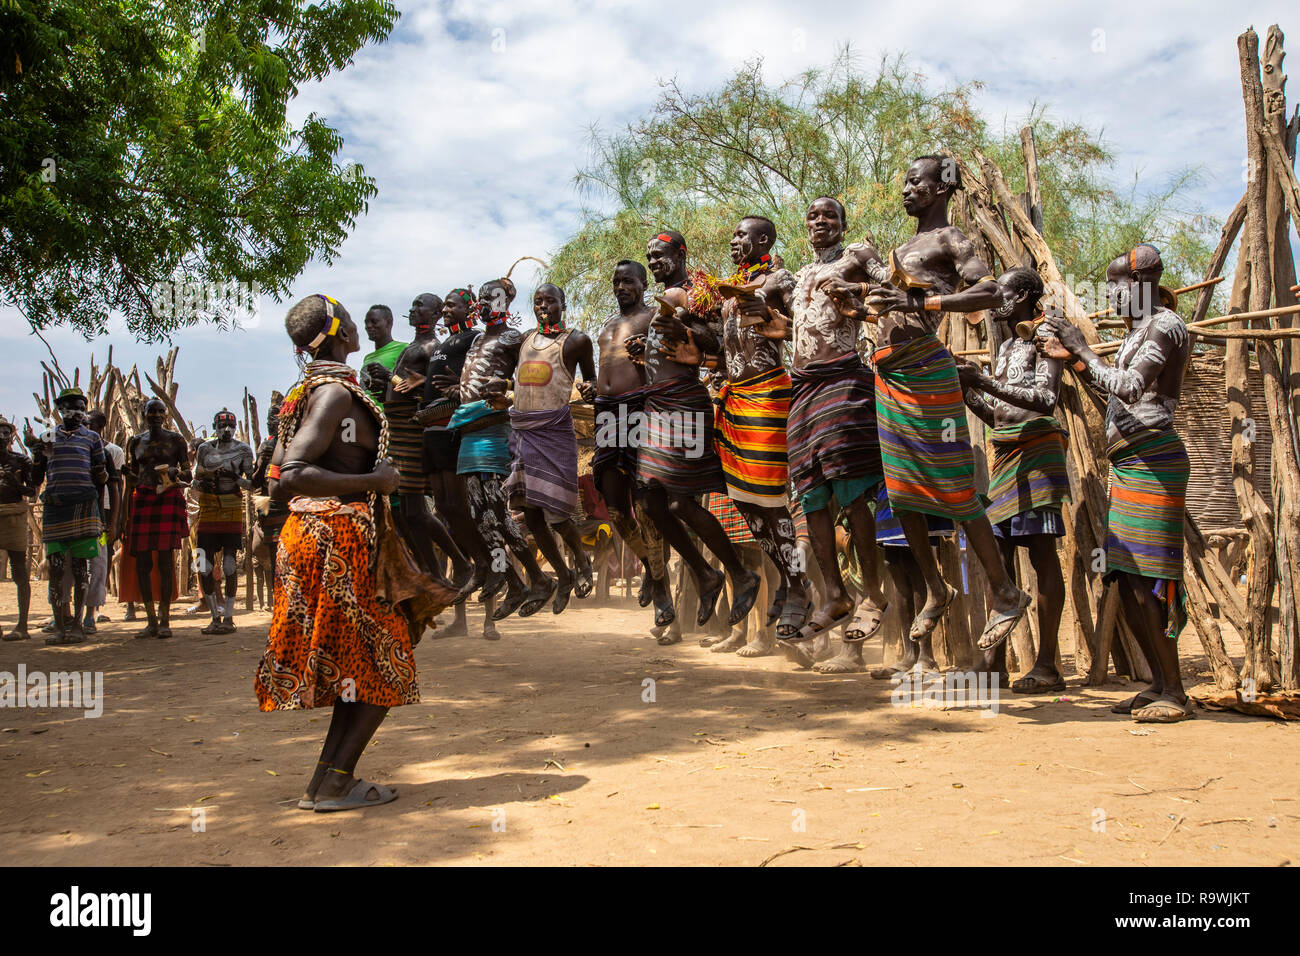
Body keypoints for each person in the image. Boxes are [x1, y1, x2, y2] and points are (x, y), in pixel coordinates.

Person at [827, 155, 1030, 650]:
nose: (906, 190)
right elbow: (892, 306)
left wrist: (924, 303)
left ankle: (1006, 592)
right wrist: (858, 303)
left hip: (927, 368)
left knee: (953, 487)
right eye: (904, 183)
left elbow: (987, 292)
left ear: (941, 188)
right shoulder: (899, 250)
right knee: (901, 493)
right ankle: (935, 589)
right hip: (889, 372)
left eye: (915, 182)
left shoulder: (952, 240)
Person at [256, 293, 426, 811]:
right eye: (349, 320)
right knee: (387, 659)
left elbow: (279, 466)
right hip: (336, 536)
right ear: (335, 333)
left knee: (357, 662)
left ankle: (327, 783)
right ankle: (333, 782)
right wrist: (374, 479)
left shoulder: (304, 394)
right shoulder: (330, 395)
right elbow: (293, 473)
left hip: (317, 536)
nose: (357, 327)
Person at [1040, 245, 1192, 722]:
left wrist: (1082, 347)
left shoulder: (1164, 326)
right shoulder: (1134, 335)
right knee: (1127, 578)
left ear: (1143, 280)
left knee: (1153, 579)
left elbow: (1130, 388)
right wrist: (1077, 359)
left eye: (1116, 285)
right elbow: (1110, 388)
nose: (1110, 295)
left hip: (1155, 459)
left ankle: (1178, 693)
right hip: (1128, 464)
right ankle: (1157, 684)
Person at [756, 197, 890, 674]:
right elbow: (801, 329)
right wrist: (775, 322)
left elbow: (890, 292)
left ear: (843, 224)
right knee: (811, 494)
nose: (820, 222)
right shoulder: (801, 276)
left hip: (843, 380)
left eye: (829, 215)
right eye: (813, 217)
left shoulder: (856, 254)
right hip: (805, 388)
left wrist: (856, 297)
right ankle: (834, 595)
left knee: (851, 491)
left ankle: (873, 594)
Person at [636, 228, 760, 639]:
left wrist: (686, 330)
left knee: (678, 504)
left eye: (661, 255)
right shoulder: (665, 297)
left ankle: (739, 574)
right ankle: (707, 574)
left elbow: (715, 343)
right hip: (655, 405)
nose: (654, 262)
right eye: (650, 256)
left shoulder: (698, 291)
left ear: (682, 254)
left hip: (685, 402)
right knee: (652, 504)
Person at [957, 266, 1069, 692]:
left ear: (1024, 294)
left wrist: (981, 379)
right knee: (999, 564)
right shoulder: (1005, 345)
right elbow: (996, 413)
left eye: (1001, 292)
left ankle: (1047, 666)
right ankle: (994, 666)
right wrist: (967, 386)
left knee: (1042, 558)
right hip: (1004, 455)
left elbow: (1045, 399)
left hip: (1036, 455)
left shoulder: (1045, 335)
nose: (994, 299)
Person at [705, 216, 813, 641]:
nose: (733, 240)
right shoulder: (728, 290)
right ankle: (790, 580)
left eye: (741, 234)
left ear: (763, 239)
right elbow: (722, 348)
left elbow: (806, 327)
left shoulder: (781, 278)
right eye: (731, 234)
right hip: (733, 398)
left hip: (768, 393)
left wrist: (779, 321)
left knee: (772, 504)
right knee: (745, 505)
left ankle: (799, 587)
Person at [448, 277, 556, 622]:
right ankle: (515, 581)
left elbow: (537, 372)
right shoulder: (479, 338)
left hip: (494, 433)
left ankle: (537, 578)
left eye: (490, 297)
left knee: (498, 516)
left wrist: (507, 385)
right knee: (480, 519)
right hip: (467, 433)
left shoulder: (515, 337)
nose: (483, 303)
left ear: (507, 301)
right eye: (480, 298)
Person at [581, 260, 673, 627]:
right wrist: (591, 387)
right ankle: (652, 569)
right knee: (616, 509)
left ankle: (662, 589)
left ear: (643, 283)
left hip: (640, 408)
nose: (621, 286)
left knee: (645, 503)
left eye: (628, 281)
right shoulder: (607, 326)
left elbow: (671, 361)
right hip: (606, 412)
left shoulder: (653, 317)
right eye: (616, 281)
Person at [506, 282, 596, 612]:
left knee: (558, 515)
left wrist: (590, 388)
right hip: (524, 433)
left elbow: (592, 380)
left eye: (551, 301)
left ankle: (583, 563)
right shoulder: (524, 339)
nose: (544, 306)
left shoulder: (576, 341)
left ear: (564, 303)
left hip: (555, 433)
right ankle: (562, 574)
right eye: (538, 300)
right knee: (530, 515)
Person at [416, 288, 489, 638]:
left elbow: (472, 384)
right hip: (430, 431)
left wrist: (456, 390)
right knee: (445, 509)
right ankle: (460, 620)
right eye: (444, 305)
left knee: (465, 511)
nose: (446, 309)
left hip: (451, 429)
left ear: (469, 308)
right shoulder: (445, 343)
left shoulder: (474, 340)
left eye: (451, 304)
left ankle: (489, 613)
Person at [381, 294, 468, 587]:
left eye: (420, 306)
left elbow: (442, 389)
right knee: (406, 512)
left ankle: (455, 563)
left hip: (413, 426)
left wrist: (414, 384)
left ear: (433, 315)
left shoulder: (434, 347)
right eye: (413, 305)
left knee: (415, 509)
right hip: (397, 426)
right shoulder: (414, 346)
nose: (412, 309)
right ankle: (432, 572)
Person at [27, 388, 106, 645]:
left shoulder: (92, 438)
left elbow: (99, 476)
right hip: (55, 506)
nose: (76, 412)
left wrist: (102, 516)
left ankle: (78, 626)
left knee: (81, 569)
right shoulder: (48, 438)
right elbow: (38, 477)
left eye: (80, 408)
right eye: (70, 407)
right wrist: (36, 454)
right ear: (60, 410)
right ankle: (60, 625)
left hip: (83, 505)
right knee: (56, 568)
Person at [123, 398, 191, 639]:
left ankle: (165, 620)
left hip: (167, 498)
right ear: (144, 414)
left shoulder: (175, 440)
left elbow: (188, 474)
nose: (156, 415)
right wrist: (127, 474)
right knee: (143, 563)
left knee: (164, 562)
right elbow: (134, 472)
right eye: (151, 411)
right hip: (142, 498)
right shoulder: (135, 442)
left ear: (166, 415)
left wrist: (174, 472)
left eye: (160, 411)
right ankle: (151, 621)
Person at [193, 408, 254, 634]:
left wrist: (234, 478)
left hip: (231, 507)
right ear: (215, 428)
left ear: (235, 428)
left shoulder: (243, 450)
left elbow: (252, 484)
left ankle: (228, 617)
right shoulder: (204, 449)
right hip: (208, 507)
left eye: (230, 426)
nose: (226, 430)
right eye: (222, 426)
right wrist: (203, 483)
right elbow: (195, 480)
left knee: (229, 565)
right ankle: (214, 616)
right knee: (203, 564)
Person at [83, 409, 123, 634]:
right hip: (82, 510)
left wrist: (117, 519)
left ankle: (95, 608)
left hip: (105, 511)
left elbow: (118, 485)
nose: (90, 429)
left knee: (102, 555)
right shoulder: (79, 448)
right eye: (86, 425)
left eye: (94, 426)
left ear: (102, 427)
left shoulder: (113, 451)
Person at [0, 417, 35, 641]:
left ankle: (22, 626)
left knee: (20, 572)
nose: (1, 437)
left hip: (14, 517)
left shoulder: (21, 461)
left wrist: (14, 483)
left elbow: (31, 491)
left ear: (12, 436)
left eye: (6, 432)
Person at [358, 304, 407, 409]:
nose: (368, 326)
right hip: (369, 417)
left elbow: (409, 386)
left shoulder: (404, 349)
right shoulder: (367, 357)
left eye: (374, 322)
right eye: (366, 323)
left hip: (391, 416)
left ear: (389, 323)